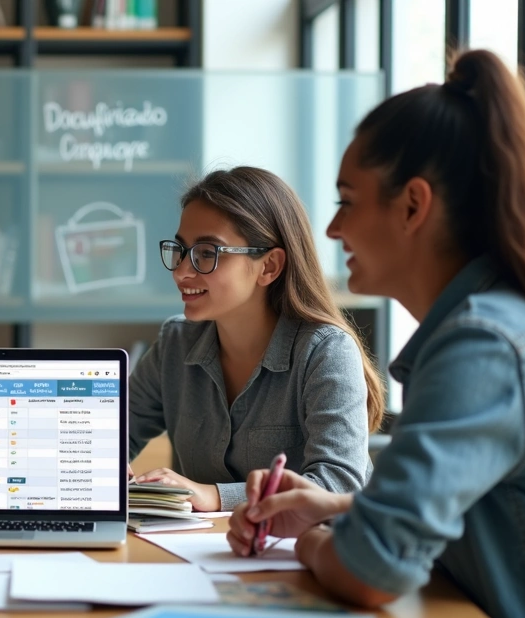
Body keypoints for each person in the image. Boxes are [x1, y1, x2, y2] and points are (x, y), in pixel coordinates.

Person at [226, 50, 525, 618]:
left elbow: (370, 569)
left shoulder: (484, 346)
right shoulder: (507, 324)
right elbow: (479, 509)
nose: (331, 230)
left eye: (347, 201)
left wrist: (314, 541)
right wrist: (341, 510)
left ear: (413, 205)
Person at [129, 166, 383, 511]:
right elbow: (113, 435)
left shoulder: (325, 352)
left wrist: (216, 496)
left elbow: (337, 485)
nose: (181, 271)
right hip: (200, 554)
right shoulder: (176, 341)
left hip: (298, 556)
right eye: (181, 249)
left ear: (269, 267)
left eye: (207, 253)